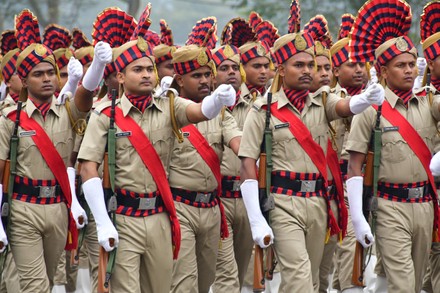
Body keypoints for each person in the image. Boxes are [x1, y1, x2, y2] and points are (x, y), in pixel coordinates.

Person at [78, 6, 235, 293]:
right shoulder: (105, 114)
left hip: (162, 217)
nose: (147, 75)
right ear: (121, 77)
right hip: (124, 216)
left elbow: (201, 111)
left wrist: (218, 98)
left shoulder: (169, 105)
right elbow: (88, 167)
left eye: (149, 68)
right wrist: (101, 222)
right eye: (137, 70)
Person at [238, 29, 383, 292]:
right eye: (299, 65)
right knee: (298, 275)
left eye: (310, 65)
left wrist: (365, 98)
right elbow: (247, 163)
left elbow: (345, 107)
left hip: (318, 202)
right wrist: (256, 217)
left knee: (313, 280)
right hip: (282, 203)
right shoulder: (263, 110)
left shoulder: (323, 101)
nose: (307, 71)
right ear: (281, 70)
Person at [346, 1, 440, 292]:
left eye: (412, 64)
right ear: (383, 71)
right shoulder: (369, 108)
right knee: (403, 283)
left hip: (425, 204)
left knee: (416, 279)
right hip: (389, 206)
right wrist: (359, 218)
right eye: (401, 65)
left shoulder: (428, 100)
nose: (409, 71)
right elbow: (355, 164)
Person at [0, 9, 92, 293]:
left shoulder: (68, 112)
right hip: (23, 209)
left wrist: (93, 68)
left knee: (50, 281)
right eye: (38, 74)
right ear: (24, 82)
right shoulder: (9, 120)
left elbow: (86, 99)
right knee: (34, 285)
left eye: (51, 72)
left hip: (58, 209)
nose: (48, 79)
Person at [167, 16, 241, 293]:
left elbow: (239, 143)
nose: (204, 81)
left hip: (212, 208)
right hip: (179, 207)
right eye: (196, 76)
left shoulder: (221, 112)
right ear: (179, 79)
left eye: (207, 75)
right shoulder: (167, 110)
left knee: (211, 282)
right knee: (184, 283)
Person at [210, 20, 254, 293]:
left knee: (246, 274)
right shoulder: (201, 109)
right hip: (219, 199)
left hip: (249, 198)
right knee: (223, 276)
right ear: (212, 75)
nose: (231, 73)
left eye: (235, 68)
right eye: (223, 68)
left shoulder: (262, 105)